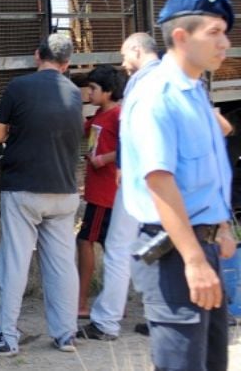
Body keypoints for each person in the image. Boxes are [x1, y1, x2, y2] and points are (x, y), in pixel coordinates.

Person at [121, 0, 238, 371]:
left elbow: (205, 173)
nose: (225, 43)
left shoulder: (194, 93)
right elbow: (160, 182)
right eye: (215, 32)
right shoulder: (158, 95)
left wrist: (221, 226)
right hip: (174, 253)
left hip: (200, 246)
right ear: (183, 38)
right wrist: (193, 260)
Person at [0, 34, 83, 356]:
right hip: (65, 191)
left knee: (15, 262)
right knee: (63, 265)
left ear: (38, 56)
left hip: (25, 189)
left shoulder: (19, 87)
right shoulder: (76, 93)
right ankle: (66, 335)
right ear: (66, 64)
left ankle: (6, 337)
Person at [78, 32, 161, 340]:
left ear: (138, 50)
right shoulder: (174, 77)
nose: (124, 63)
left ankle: (106, 321)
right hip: (165, 177)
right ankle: (159, 316)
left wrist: (122, 167)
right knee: (156, 246)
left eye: (126, 55)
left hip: (140, 176)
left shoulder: (141, 82)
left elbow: (132, 133)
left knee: (118, 248)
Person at [77, 65, 126, 319]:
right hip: (99, 191)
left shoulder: (117, 116)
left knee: (85, 242)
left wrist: (104, 158)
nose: (89, 92)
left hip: (105, 194)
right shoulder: (99, 114)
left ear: (108, 92)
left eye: (94, 88)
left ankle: (81, 303)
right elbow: (83, 131)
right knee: (111, 247)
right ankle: (116, 303)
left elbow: (131, 145)